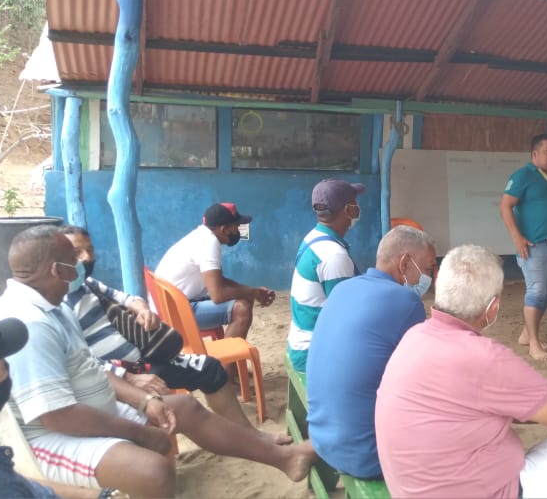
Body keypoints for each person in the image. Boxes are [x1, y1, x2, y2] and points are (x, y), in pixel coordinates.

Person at [0, 225, 315, 497]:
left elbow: (91, 369)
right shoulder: (31, 322)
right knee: (152, 472)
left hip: (93, 409)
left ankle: (284, 458)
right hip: (49, 438)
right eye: (72, 261)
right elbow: (58, 416)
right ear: (55, 270)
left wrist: (145, 401)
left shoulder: (54, 304)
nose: (81, 265)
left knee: (183, 408)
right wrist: (139, 432)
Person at [375, 245, 547, 498]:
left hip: (411, 489)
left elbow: (522, 410)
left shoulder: (415, 336)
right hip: (493, 492)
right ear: (493, 308)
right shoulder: (484, 357)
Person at [59, 226, 285, 442]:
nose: (87, 258)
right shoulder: (57, 306)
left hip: (141, 359)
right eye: (77, 252)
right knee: (183, 407)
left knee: (209, 368)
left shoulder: (86, 284)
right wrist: (127, 377)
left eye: (90, 250)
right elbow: (76, 363)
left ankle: (246, 435)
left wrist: (142, 309)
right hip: (119, 376)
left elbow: (127, 298)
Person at [307, 226, 435, 481]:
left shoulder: (344, 289)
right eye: (428, 267)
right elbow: (421, 382)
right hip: (367, 456)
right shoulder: (407, 303)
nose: (430, 276)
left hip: (320, 439)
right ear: (405, 262)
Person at [0, 318, 105, 499]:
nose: (6, 366)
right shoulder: (0, 486)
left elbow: (23, 484)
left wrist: (97, 496)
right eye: (1, 358)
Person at [499, 134, 547, 361]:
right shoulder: (523, 176)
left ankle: (527, 333)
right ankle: (534, 343)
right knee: (536, 291)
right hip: (532, 245)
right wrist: (517, 237)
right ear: (535, 153)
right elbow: (505, 207)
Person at [155, 202, 276, 340]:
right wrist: (253, 292)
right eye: (236, 226)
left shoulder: (201, 236)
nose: (238, 231)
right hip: (174, 313)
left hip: (169, 304)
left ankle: (229, 355)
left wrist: (252, 291)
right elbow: (218, 294)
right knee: (242, 310)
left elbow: (218, 281)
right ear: (224, 229)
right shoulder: (209, 243)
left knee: (244, 298)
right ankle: (227, 361)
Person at [288, 179, 366, 372]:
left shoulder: (314, 237)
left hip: (301, 341)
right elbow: (346, 316)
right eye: (355, 203)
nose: (358, 208)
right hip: (313, 352)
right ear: (348, 210)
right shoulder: (334, 257)